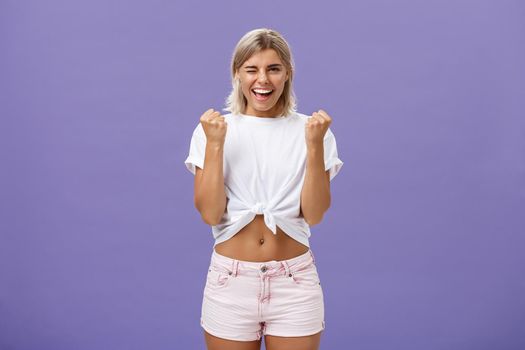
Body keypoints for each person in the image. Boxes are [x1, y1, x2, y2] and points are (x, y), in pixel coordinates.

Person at [184, 28, 343, 350]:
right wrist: (215, 144)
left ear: (288, 74)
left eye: (273, 69)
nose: (263, 80)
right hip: (231, 282)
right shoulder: (213, 130)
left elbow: (313, 214)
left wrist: (313, 146)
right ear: (237, 74)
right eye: (251, 69)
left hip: (294, 282)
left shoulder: (312, 130)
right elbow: (210, 213)